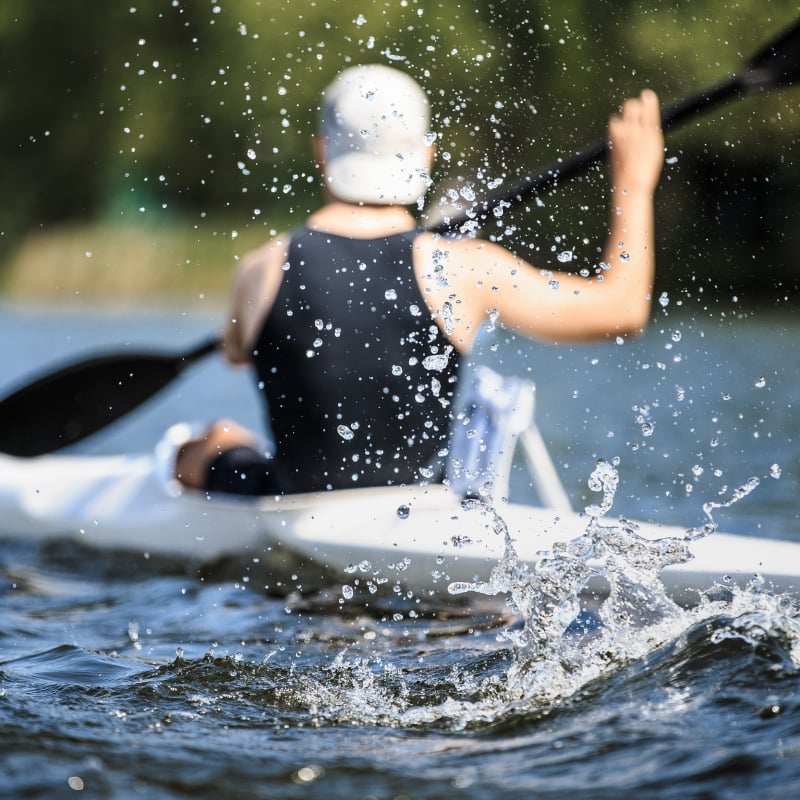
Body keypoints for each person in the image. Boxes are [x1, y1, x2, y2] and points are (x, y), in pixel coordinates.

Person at [175, 63, 664, 496]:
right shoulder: (463, 269)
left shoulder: (261, 268)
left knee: (200, 450)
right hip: (415, 518)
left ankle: (210, 447)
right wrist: (634, 185)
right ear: (426, 155)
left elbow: (238, 351)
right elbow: (622, 311)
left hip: (291, 502)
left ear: (322, 152)